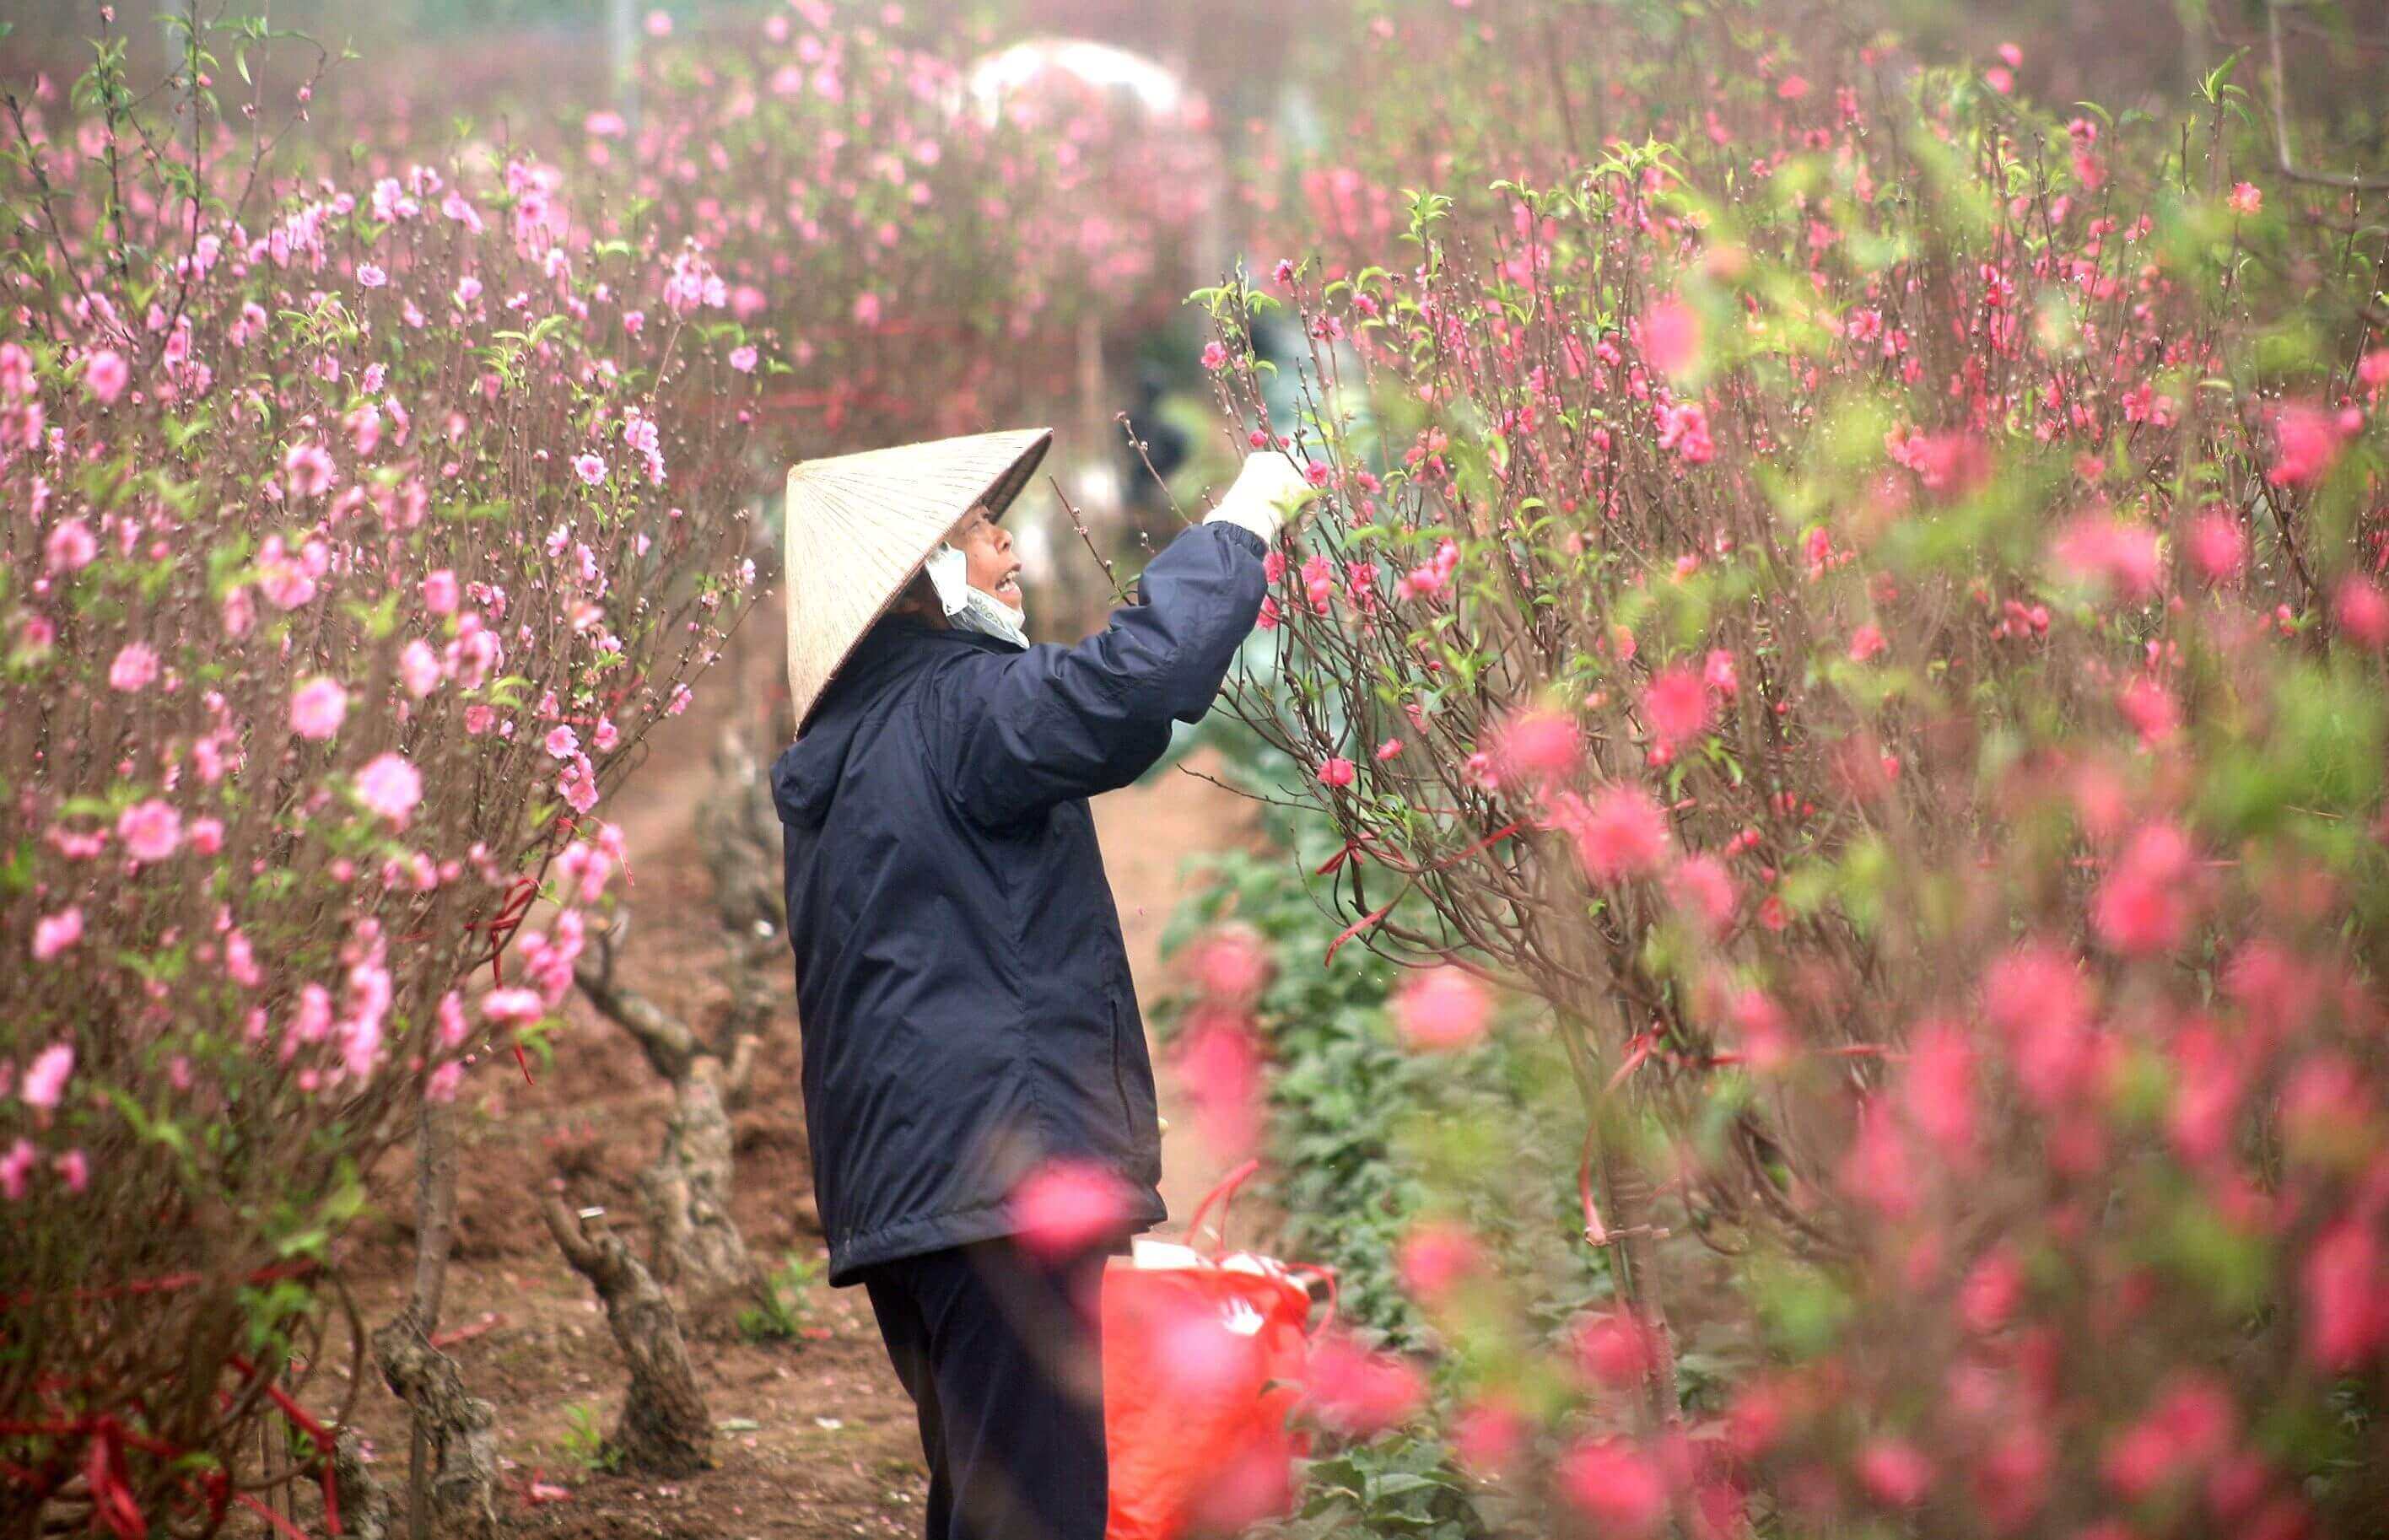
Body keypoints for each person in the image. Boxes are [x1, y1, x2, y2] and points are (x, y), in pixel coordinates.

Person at [771, 428, 1312, 1540]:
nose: (1008, 543)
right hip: (1000, 1185)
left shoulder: (846, 751)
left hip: (909, 1200)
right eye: (978, 529)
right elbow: (1137, 683)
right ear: (924, 574)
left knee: (985, 1493)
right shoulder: (957, 709)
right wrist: (1242, 525)